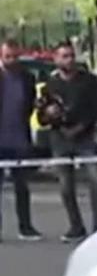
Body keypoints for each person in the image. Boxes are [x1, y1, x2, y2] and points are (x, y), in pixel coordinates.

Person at [37, 41, 97, 242]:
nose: (69, 60)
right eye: (64, 56)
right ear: (56, 59)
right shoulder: (50, 84)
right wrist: (50, 115)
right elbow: (42, 116)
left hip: (85, 136)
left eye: (71, 55)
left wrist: (83, 126)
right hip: (60, 138)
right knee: (66, 186)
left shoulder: (89, 81)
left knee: (96, 181)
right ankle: (76, 226)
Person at [0, 39, 42, 241]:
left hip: (19, 138)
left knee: (22, 187)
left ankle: (26, 227)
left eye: (15, 56)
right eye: (8, 56)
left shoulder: (27, 78)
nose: (11, 60)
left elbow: (29, 105)